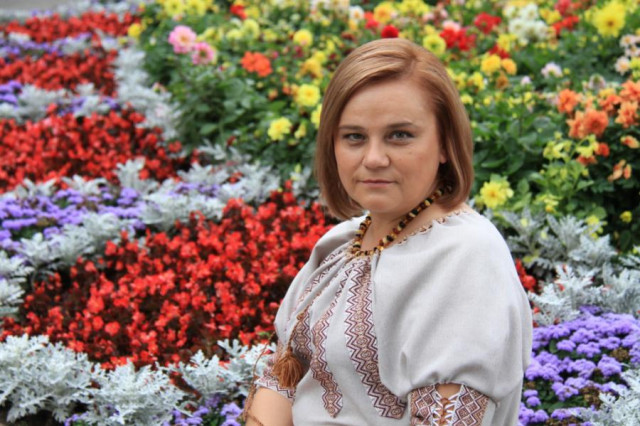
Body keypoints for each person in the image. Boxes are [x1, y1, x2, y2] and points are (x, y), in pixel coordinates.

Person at [243, 38, 532, 425]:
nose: (374, 158)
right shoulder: (342, 244)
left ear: (445, 143)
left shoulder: (465, 255)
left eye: (400, 135)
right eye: (354, 137)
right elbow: (282, 377)